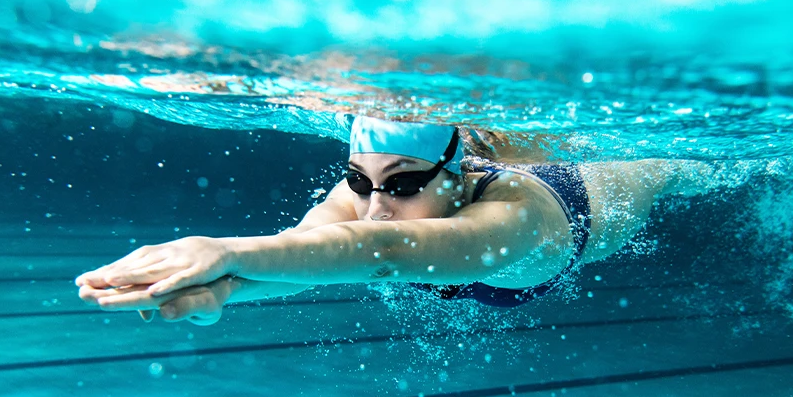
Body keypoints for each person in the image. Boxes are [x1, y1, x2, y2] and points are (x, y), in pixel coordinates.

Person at [75, 117, 708, 324]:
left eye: (404, 184)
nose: (375, 204)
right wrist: (224, 291)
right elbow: (305, 250)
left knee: (678, 167)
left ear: (456, 174)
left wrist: (219, 249)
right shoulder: (369, 195)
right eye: (359, 181)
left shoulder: (518, 217)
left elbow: (385, 249)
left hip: (599, 196)